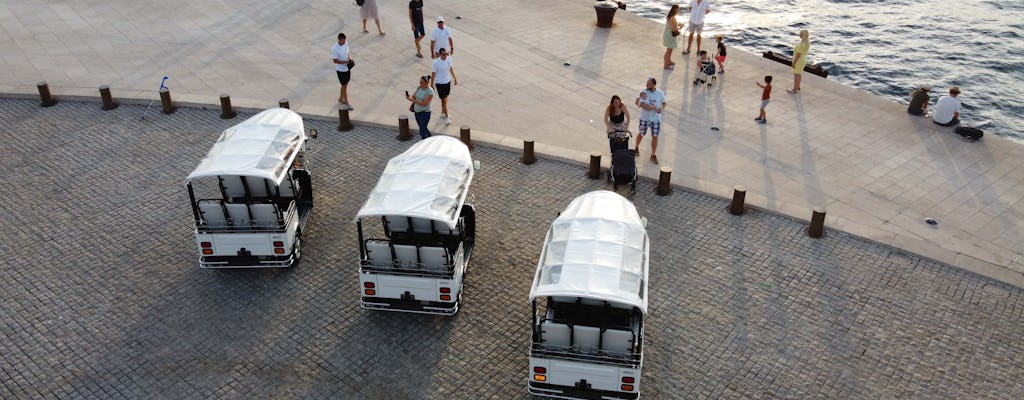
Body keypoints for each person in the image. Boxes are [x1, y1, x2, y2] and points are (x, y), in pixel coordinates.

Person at [634, 78, 666, 164]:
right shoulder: (643, 92)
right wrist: (642, 105)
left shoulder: (660, 93)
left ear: (653, 85)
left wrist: (661, 109)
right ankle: (636, 147)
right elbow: (637, 101)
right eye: (646, 84)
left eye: (648, 84)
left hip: (656, 118)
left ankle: (653, 154)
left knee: (655, 136)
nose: (646, 85)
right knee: (641, 133)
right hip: (645, 117)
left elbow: (664, 103)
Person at [431, 47, 458, 124]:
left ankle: (443, 112)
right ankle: (447, 116)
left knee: (445, 98)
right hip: (440, 83)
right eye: (443, 54)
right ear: (440, 54)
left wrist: (454, 78)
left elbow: (450, 69)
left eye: (446, 54)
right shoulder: (436, 62)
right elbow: (433, 74)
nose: (445, 56)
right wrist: (432, 84)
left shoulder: (449, 59)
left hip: (447, 81)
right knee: (443, 100)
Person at [331, 33, 353, 110]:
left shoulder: (345, 43)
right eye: (342, 41)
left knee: (345, 85)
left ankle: (341, 98)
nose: (344, 42)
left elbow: (348, 52)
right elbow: (335, 60)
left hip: (347, 68)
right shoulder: (334, 48)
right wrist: (345, 62)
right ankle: (347, 103)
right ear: (339, 39)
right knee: (344, 85)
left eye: (344, 41)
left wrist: (350, 58)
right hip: (340, 70)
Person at [788, 30, 810, 94]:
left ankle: (794, 89)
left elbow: (798, 55)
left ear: (803, 35)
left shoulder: (801, 44)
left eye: (800, 33)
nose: (799, 34)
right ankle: (798, 87)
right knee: (799, 74)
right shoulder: (807, 43)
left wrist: (794, 63)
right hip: (803, 60)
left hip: (799, 61)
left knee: (796, 76)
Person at [663, 5, 683, 70]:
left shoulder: (670, 17)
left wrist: (678, 24)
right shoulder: (673, 18)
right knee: (668, 51)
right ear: (675, 10)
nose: (679, 10)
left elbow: (672, 25)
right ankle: (666, 65)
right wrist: (680, 27)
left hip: (668, 35)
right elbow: (674, 30)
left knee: (670, 50)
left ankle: (669, 61)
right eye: (678, 9)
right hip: (670, 36)